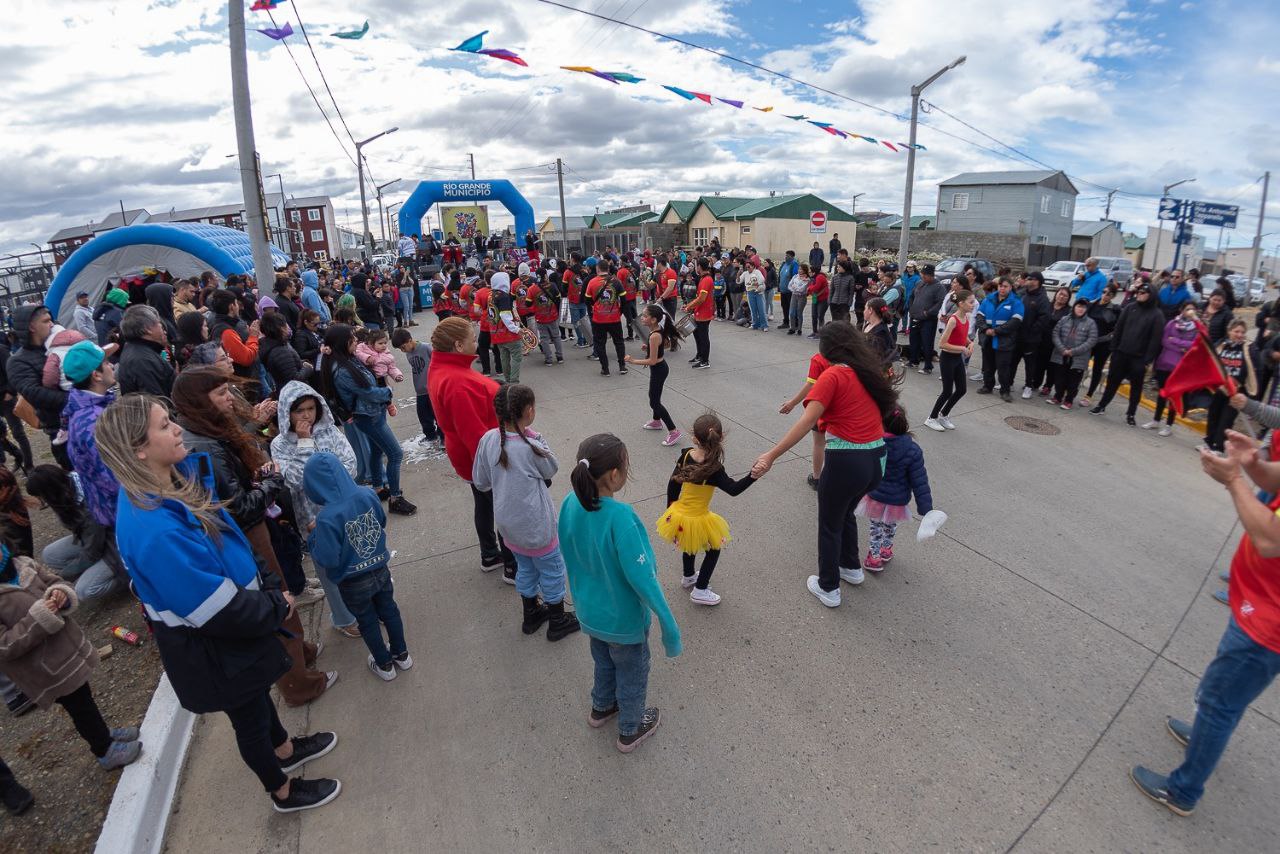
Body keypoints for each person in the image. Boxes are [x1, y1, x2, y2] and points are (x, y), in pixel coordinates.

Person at [96, 395, 341, 812]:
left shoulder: (174, 480)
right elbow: (215, 608)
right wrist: (274, 607)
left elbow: (229, 536)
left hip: (239, 627)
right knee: (247, 718)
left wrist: (265, 582)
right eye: (163, 425)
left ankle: (284, 747)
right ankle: (281, 790)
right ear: (139, 449)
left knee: (258, 699)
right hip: (215, 647)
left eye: (171, 418)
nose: (177, 429)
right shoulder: (153, 531)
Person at [1130, 428, 1280, 816]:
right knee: (1224, 694)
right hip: (1258, 608)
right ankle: (1202, 734)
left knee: (1219, 703)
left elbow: (1269, 538)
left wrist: (1233, 480)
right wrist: (1253, 466)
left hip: (1267, 626)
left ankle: (1182, 791)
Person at [171, 367, 335, 704]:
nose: (229, 399)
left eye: (227, 390)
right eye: (220, 394)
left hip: (251, 530)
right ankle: (300, 685)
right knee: (278, 602)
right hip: (249, 534)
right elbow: (239, 508)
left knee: (280, 595)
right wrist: (271, 483)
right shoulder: (206, 448)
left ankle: (300, 652)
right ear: (199, 402)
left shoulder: (205, 432)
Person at [752, 322, 898, 607]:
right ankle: (851, 568)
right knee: (845, 514)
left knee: (830, 523)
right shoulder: (866, 372)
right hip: (876, 460)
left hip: (847, 460)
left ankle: (828, 586)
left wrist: (771, 455)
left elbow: (807, 422)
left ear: (826, 349)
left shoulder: (833, 375)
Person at [558, 433, 681, 753]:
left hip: (590, 613)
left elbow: (568, 552)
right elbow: (644, 578)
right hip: (624, 621)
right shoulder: (621, 519)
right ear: (614, 475)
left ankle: (602, 706)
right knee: (632, 672)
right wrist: (669, 623)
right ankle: (630, 727)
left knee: (603, 661)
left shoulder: (569, 504)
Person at [0, 541, 141, 770]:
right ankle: (104, 749)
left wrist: (61, 593)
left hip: (65, 651)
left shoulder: (21, 563)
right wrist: (39, 617)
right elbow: (5, 646)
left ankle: (104, 733)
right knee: (79, 707)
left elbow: (55, 581)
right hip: (45, 668)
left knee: (85, 699)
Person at [472, 385, 581, 640]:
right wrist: (536, 437)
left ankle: (530, 613)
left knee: (525, 567)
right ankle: (556, 619)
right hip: (536, 525)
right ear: (529, 411)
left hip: (509, 526)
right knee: (552, 569)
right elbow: (551, 468)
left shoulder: (488, 439)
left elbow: (480, 481)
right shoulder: (532, 447)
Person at [304, 452, 411, 682]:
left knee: (367, 621)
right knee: (389, 610)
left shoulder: (326, 518)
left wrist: (314, 537)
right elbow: (380, 521)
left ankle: (384, 664)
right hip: (380, 568)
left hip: (352, 581)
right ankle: (402, 654)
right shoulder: (366, 494)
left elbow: (328, 558)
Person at [269, 382, 362, 640]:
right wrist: (305, 443)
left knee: (356, 560)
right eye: (299, 410)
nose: (307, 415)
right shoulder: (279, 445)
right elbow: (293, 480)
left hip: (344, 512)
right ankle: (344, 617)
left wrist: (322, 485)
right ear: (287, 412)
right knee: (329, 570)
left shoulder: (330, 432)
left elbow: (350, 466)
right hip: (312, 520)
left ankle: (365, 604)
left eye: (311, 408)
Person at [428, 318, 516, 582]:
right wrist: (501, 463)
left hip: (472, 455)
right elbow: (474, 435)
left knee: (485, 504)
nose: (476, 343)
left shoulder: (446, 369)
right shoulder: (456, 382)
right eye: (473, 339)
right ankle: (513, 566)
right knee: (502, 508)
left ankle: (490, 554)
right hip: (482, 456)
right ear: (458, 345)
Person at [656, 413, 758, 606]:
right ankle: (700, 590)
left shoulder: (685, 455)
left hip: (679, 513)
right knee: (714, 549)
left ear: (695, 438)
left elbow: (673, 483)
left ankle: (688, 577)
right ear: (722, 438)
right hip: (697, 516)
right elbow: (733, 489)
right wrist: (753, 476)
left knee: (689, 544)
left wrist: (670, 508)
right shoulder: (714, 468)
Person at [320, 325, 415, 515]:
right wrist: (387, 391)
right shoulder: (342, 369)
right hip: (369, 416)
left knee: (376, 450)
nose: (357, 341)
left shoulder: (347, 358)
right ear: (343, 343)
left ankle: (379, 488)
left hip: (372, 413)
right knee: (395, 454)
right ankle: (395, 498)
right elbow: (368, 393)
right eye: (353, 339)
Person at [25, 465, 125, 601]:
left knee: (84, 591)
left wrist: (61, 577)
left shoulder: (89, 505)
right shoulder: (68, 486)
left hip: (115, 545)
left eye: (41, 496)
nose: (41, 500)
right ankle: (95, 572)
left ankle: (128, 577)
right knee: (50, 555)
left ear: (50, 492)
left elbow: (92, 552)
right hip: (95, 540)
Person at [857, 406, 932, 571]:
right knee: (890, 525)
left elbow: (864, 467)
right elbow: (919, 481)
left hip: (876, 495)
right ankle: (886, 549)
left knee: (875, 527)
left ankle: (874, 557)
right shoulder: (913, 450)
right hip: (897, 500)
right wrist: (926, 507)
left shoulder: (875, 444)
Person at [1091, 282, 1165, 425]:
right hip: (1121, 353)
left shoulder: (1157, 315)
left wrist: (1146, 361)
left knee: (1136, 388)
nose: (1140, 293)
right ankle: (1101, 405)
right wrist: (1114, 349)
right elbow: (1119, 328)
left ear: (1151, 295)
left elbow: (1155, 341)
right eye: (1139, 291)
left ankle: (1131, 414)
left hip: (1139, 359)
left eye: (1144, 292)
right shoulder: (1130, 308)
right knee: (1112, 382)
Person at [8, 305, 70, 468]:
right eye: (46, 321)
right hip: (61, 429)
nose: (52, 324)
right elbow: (35, 394)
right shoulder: (18, 361)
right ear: (31, 326)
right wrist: (79, 398)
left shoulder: (60, 346)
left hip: (90, 418)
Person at [925, 289, 977, 431]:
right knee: (947, 391)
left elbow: (962, 336)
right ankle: (931, 418)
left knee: (961, 389)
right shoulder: (953, 320)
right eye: (971, 302)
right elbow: (942, 344)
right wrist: (962, 349)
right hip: (948, 358)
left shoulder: (965, 318)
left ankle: (944, 414)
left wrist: (970, 343)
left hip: (957, 359)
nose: (973, 304)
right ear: (961, 303)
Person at [1144, 303, 1199, 434]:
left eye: (1192, 310)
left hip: (1180, 368)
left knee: (1174, 397)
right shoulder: (1172, 324)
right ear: (1182, 310)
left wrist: (1175, 341)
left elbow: (1194, 345)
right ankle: (1156, 420)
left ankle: (1169, 425)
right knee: (1162, 394)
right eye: (1187, 309)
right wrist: (1181, 347)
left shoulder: (1196, 329)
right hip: (1164, 364)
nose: (1190, 312)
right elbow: (1164, 341)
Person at [1205, 320, 1256, 452]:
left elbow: (1255, 370)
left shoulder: (1249, 348)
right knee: (1213, 415)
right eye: (1236, 331)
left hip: (1237, 392)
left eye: (1242, 332)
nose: (1239, 335)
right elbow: (1212, 361)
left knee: (1226, 419)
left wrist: (1248, 389)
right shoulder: (1221, 345)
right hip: (1220, 389)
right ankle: (1209, 442)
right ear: (1229, 332)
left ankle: (1219, 447)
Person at [975, 277, 1025, 402]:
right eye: (1000, 286)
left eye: (1005, 286)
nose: (1002, 288)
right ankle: (988, 386)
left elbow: (1015, 321)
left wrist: (997, 331)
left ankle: (1005, 391)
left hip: (1005, 340)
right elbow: (980, 316)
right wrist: (986, 329)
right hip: (988, 338)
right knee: (988, 365)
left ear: (1011, 287)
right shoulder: (989, 299)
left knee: (1004, 367)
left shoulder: (1016, 302)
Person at [390, 328, 439, 447]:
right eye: (400, 349)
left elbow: (438, 364)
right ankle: (430, 435)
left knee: (437, 414)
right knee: (423, 416)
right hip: (420, 390)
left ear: (410, 340)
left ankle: (444, 437)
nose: (402, 351)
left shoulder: (426, 348)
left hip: (432, 388)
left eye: (403, 347)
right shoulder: (408, 353)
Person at [1048, 298, 1099, 410]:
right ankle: (1058, 396)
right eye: (1079, 306)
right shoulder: (1064, 319)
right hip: (1061, 354)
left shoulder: (1091, 323)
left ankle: (1069, 400)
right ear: (1074, 307)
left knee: (1073, 381)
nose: (1081, 309)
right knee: (1059, 378)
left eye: (1083, 307)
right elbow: (1055, 333)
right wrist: (1062, 349)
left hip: (1078, 358)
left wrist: (1074, 351)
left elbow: (1092, 340)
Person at [206, 290, 261, 384]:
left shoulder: (223, 324)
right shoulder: (226, 331)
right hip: (242, 381)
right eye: (236, 303)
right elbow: (246, 358)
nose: (239, 307)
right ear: (232, 306)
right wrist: (253, 336)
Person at [1015, 272, 1053, 399]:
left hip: (1031, 339)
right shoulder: (1023, 294)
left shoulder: (1042, 299)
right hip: (1017, 336)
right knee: (1013, 361)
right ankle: (1008, 383)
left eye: (1031, 278)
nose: (1027, 280)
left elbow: (1044, 318)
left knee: (1030, 365)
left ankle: (1028, 386)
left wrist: (1031, 331)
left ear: (1037, 282)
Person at [1081, 286, 1121, 406]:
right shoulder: (1091, 305)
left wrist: (1111, 337)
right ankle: (1071, 389)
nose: (1105, 295)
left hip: (1103, 343)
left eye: (1109, 294)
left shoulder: (1115, 310)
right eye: (1104, 292)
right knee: (1080, 364)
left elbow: (1118, 327)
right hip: (1088, 341)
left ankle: (1089, 395)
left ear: (1113, 296)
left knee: (1097, 369)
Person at [586, 269, 627, 377]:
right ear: (608, 270)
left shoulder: (592, 282)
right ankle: (622, 366)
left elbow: (587, 300)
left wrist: (593, 311)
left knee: (600, 343)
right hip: (614, 318)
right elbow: (624, 299)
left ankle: (605, 369)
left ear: (597, 269)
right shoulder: (616, 281)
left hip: (598, 319)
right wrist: (620, 312)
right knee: (619, 342)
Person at [487, 272, 525, 384]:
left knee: (504, 358)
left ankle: (507, 381)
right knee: (517, 356)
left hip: (496, 333)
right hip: (508, 334)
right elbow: (505, 315)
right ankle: (514, 381)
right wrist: (517, 329)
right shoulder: (504, 296)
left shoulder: (491, 295)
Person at [907, 265, 945, 373]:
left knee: (927, 342)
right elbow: (911, 296)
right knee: (914, 340)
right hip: (915, 316)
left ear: (931, 275)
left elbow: (940, 302)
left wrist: (929, 312)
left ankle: (928, 366)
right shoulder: (920, 283)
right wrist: (911, 308)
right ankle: (914, 361)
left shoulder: (939, 287)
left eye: (924, 276)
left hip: (928, 320)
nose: (922, 277)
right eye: (922, 275)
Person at [685, 258, 715, 368]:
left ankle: (705, 360)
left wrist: (689, 306)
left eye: (697, 266)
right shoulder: (703, 278)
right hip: (700, 311)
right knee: (697, 334)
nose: (696, 268)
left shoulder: (707, 280)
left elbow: (702, 298)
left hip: (704, 312)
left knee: (703, 337)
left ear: (700, 267)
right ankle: (700, 355)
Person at [862, 297, 896, 372]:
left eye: (865, 308)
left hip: (875, 370)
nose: (863, 311)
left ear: (870, 310)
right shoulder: (868, 325)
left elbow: (878, 356)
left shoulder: (881, 332)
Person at [787, 262, 811, 336]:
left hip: (802, 297)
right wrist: (795, 288)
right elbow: (789, 286)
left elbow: (802, 289)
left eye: (801, 269)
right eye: (799, 269)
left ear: (804, 270)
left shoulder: (807, 279)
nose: (799, 270)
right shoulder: (795, 277)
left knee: (799, 313)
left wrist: (795, 287)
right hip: (794, 295)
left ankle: (799, 329)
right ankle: (792, 328)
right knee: (791, 312)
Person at [777, 251, 799, 331]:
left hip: (790, 291)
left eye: (787, 255)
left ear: (792, 256)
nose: (785, 257)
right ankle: (786, 322)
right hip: (783, 290)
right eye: (785, 255)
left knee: (792, 308)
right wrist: (779, 285)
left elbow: (795, 277)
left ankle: (795, 324)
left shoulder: (794, 264)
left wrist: (792, 287)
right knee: (784, 306)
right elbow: (780, 275)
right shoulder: (784, 264)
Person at [806, 265, 830, 338]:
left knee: (820, 316)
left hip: (823, 299)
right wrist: (810, 289)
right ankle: (814, 331)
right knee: (814, 315)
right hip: (815, 297)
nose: (809, 273)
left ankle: (820, 333)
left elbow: (816, 287)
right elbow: (810, 288)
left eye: (810, 272)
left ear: (814, 272)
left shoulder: (820, 277)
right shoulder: (812, 278)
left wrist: (809, 288)